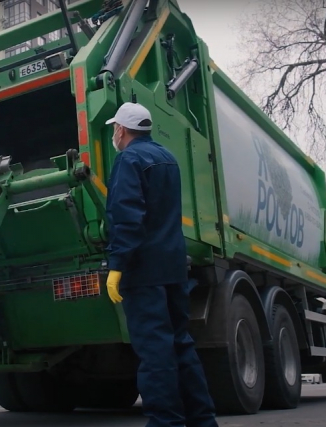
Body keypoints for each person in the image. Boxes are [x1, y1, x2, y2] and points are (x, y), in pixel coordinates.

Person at [104, 102, 218, 427]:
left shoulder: (129, 159)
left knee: (155, 354)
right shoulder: (168, 158)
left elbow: (127, 217)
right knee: (181, 344)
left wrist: (117, 265)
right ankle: (203, 420)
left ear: (122, 130)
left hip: (144, 273)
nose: (115, 132)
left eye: (116, 128)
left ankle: (166, 423)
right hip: (173, 269)